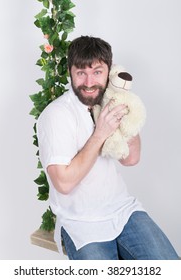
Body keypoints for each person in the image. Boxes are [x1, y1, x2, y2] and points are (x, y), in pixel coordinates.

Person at [37, 35, 179, 260]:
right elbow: (63, 183)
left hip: (123, 211)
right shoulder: (56, 116)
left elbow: (131, 159)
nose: (89, 82)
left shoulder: (108, 102)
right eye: (81, 72)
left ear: (109, 71)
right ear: (70, 72)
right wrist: (100, 133)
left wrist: (125, 111)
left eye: (97, 72)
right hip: (81, 223)